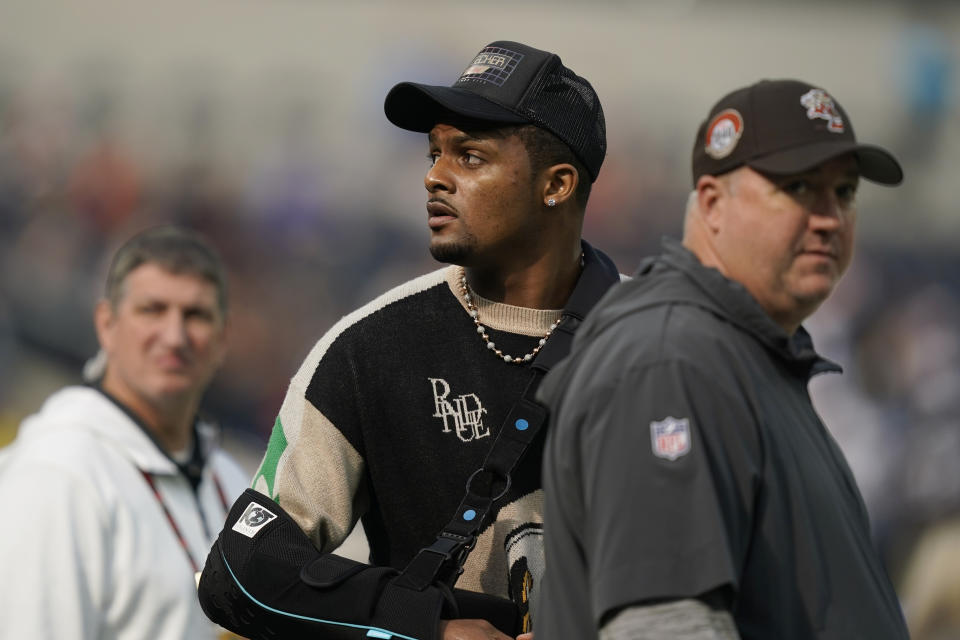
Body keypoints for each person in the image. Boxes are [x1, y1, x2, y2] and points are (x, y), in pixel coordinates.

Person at [201, 40, 621, 640]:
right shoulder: (370, 347)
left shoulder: (666, 348)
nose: (434, 177)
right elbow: (242, 567)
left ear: (556, 185)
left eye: (469, 158)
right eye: (434, 153)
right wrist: (428, 628)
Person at [536, 79, 910, 640]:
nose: (830, 217)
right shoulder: (669, 359)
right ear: (711, 203)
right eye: (800, 187)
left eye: (846, 192)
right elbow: (665, 625)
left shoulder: (739, 354)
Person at [0, 226, 249, 639]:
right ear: (107, 324)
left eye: (196, 315)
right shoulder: (57, 475)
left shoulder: (231, 480)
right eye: (153, 309)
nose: (174, 336)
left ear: (223, 338)